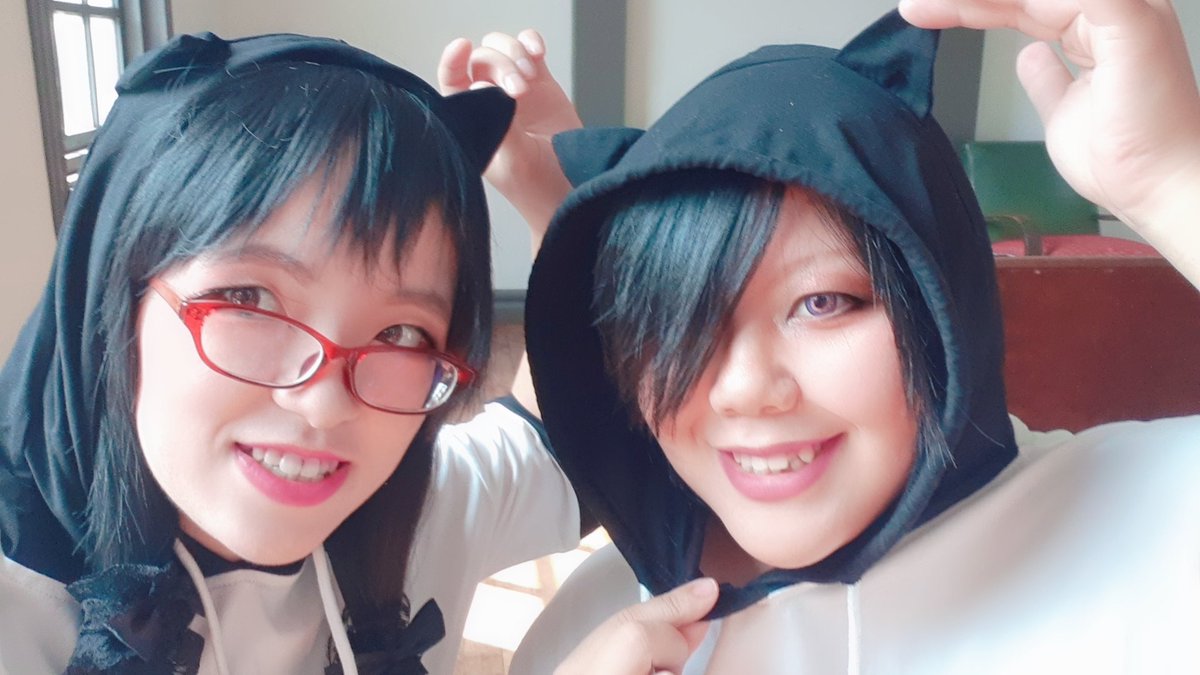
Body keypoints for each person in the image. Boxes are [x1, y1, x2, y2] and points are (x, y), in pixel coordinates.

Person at [443, 2, 1200, 673]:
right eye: (677, 320)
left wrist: (1171, 181)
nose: (744, 389)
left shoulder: (1146, 529)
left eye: (823, 303)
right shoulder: (586, 635)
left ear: (942, 300)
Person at [0, 32, 581, 675]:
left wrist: (559, 204)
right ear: (111, 297)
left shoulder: (413, 506)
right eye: (249, 299)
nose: (324, 404)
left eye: (401, 334)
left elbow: (557, 444)